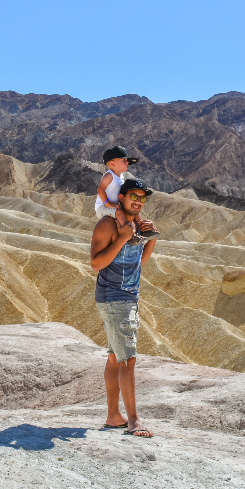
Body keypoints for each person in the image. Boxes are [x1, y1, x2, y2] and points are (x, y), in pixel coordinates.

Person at [90, 178, 158, 438]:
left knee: (114, 357)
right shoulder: (108, 225)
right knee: (128, 359)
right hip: (114, 297)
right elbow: (96, 263)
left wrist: (149, 238)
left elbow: (140, 261)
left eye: (142, 198)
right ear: (122, 197)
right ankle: (133, 421)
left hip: (127, 297)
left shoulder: (134, 225)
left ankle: (113, 416)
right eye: (134, 196)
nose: (138, 201)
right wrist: (123, 238)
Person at [95, 146, 160, 243]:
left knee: (136, 212)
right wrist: (108, 204)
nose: (127, 162)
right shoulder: (109, 175)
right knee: (120, 213)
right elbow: (100, 190)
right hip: (103, 207)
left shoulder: (120, 176)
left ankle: (144, 229)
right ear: (112, 163)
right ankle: (130, 235)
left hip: (115, 205)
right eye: (123, 160)